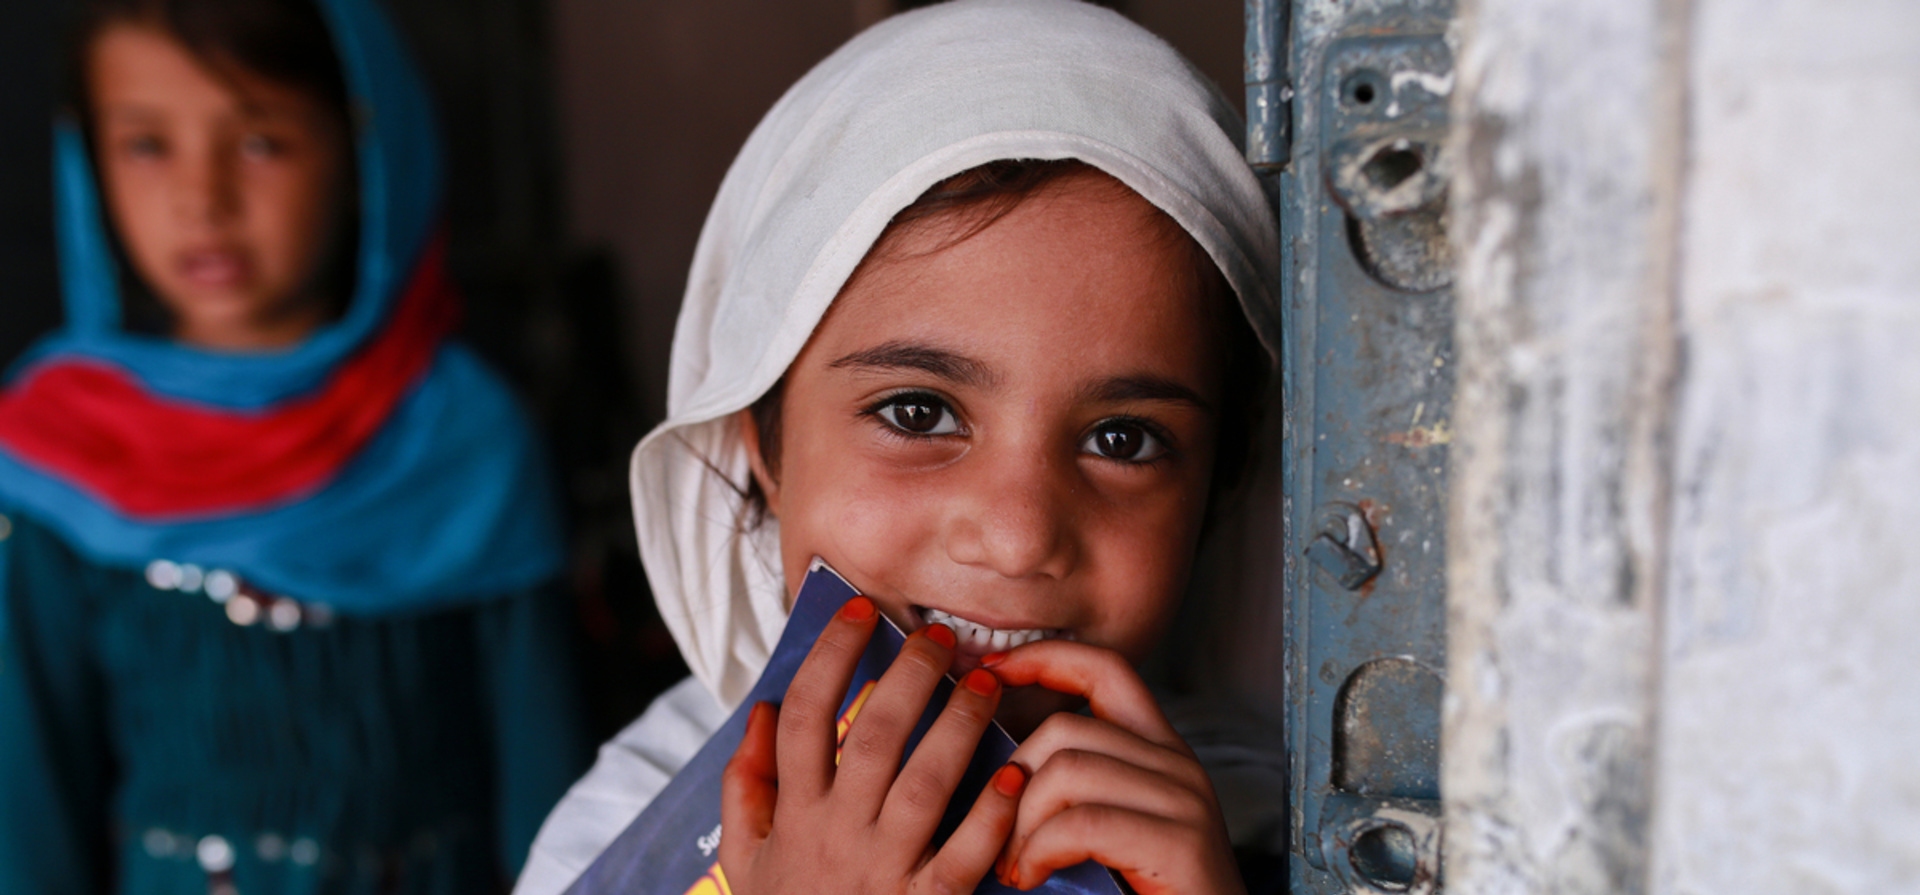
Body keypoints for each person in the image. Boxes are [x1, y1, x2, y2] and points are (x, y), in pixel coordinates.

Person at [515, 1, 1282, 893]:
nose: (1017, 537)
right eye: (919, 414)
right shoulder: (622, 837)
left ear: (1220, 485)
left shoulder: (1286, 831)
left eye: (1123, 438)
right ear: (762, 446)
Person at [0, 0, 590, 891]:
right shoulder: (58, 444)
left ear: (363, 146)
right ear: (87, 160)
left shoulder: (465, 441)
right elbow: (28, 804)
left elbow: (557, 803)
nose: (202, 200)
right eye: (146, 144)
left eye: (259, 141)